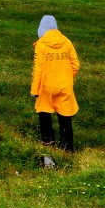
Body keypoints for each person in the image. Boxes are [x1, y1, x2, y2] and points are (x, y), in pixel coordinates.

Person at [31, 13, 81, 152]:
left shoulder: (41, 44)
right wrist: (67, 77)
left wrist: (35, 90)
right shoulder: (67, 42)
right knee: (65, 114)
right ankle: (67, 147)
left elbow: (38, 69)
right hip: (65, 85)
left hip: (46, 85)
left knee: (44, 111)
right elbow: (76, 64)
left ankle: (48, 140)